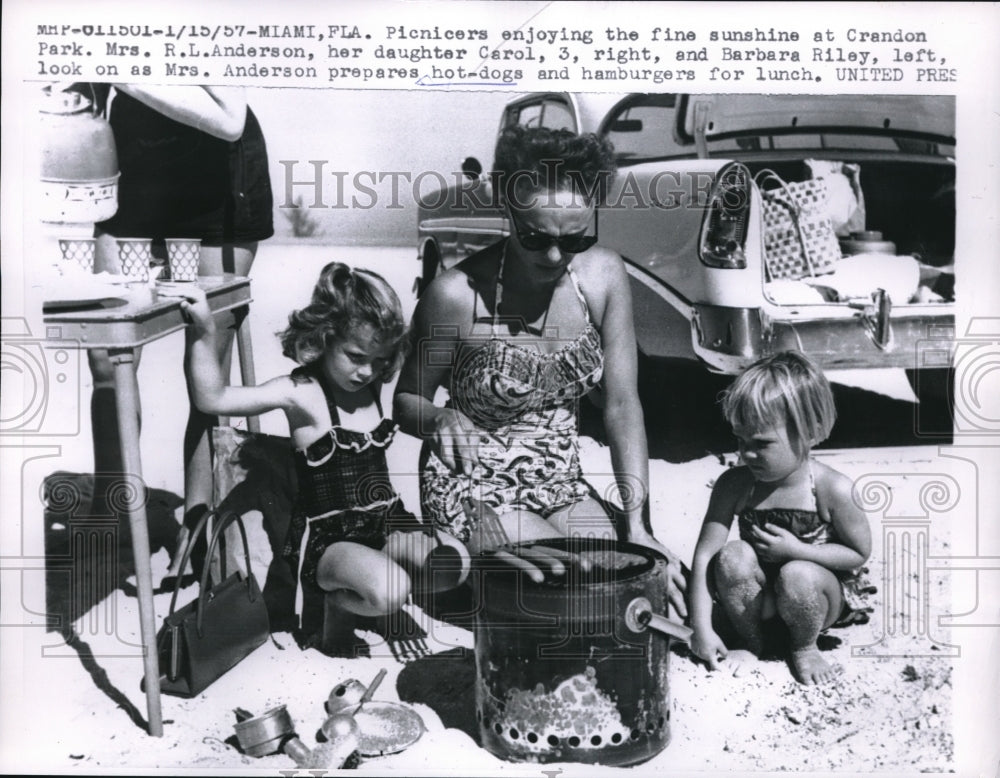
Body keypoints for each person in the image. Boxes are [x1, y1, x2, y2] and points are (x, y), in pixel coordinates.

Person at [394, 125, 686, 613]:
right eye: (535, 238)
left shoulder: (604, 276)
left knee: (633, 577)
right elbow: (406, 401)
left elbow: (621, 405)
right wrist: (440, 418)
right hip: (474, 486)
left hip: (560, 482)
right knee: (567, 588)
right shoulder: (454, 295)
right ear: (507, 211)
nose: (554, 256)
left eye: (574, 239)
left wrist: (638, 525)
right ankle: (452, 563)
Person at [176, 262, 465, 654]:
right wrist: (203, 334)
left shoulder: (372, 383)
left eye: (380, 361)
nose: (368, 372)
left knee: (455, 565)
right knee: (392, 592)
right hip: (331, 540)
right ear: (324, 337)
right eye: (356, 356)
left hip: (386, 521)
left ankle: (370, 586)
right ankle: (337, 603)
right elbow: (213, 399)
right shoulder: (302, 391)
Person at [83, 83, 273, 568]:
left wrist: (119, 69)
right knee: (107, 356)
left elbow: (229, 118)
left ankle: (200, 521)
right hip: (135, 156)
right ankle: (113, 513)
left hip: (219, 161)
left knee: (208, 362)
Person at [688, 351, 874, 685]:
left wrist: (798, 551)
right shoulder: (735, 484)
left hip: (815, 599)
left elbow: (858, 553)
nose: (746, 453)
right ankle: (752, 640)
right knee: (731, 556)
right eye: (740, 440)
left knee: (797, 574)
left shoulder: (832, 489)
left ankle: (804, 647)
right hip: (757, 600)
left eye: (761, 443)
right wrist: (700, 628)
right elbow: (705, 555)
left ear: (810, 431)